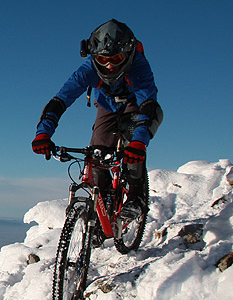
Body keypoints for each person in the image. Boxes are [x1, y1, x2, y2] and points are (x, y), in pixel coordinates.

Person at [31, 19, 162, 217]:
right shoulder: (88, 69)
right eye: (102, 60)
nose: (109, 66)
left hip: (135, 104)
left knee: (133, 143)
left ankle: (136, 199)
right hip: (107, 105)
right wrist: (43, 134)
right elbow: (60, 101)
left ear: (127, 55)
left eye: (116, 59)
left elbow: (148, 107)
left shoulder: (138, 66)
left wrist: (139, 142)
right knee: (97, 154)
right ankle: (104, 211)